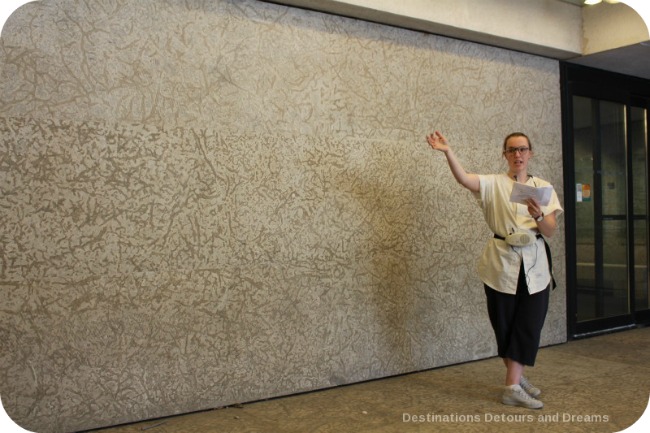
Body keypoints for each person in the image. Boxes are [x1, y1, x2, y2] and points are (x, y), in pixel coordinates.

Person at [426, 130, 563, 409]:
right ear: (505, 154)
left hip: (534, 265)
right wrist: (447, 152)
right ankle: (516, 379)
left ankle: (513, 384)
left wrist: (537, 214)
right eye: (512, 150)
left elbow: (549, 231)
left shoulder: (543, 187)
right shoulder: (493, 183)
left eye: (523, 149)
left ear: (530, 153)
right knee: (505, 323)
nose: (518, 155)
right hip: (500, 263)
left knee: (529, 322)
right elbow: (464, 179)